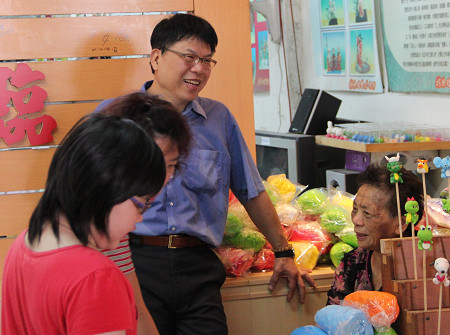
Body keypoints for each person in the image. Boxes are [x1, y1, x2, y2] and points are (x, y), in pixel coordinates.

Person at [95, 13, 315, 335]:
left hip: (198, 266)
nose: (199, 69)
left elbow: (250, 189)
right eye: (189, 57)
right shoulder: (115, 116)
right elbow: (89, 196)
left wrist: (283, 251)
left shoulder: (218, 118)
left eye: (208, 60)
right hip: (135, 262)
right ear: (156, 58)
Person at [1, 113, 166, 335]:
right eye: (141, 204)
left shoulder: (24, 242)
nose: (139, 219)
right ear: (106, 187)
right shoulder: (97, 278)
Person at [97, 91, 191, 335]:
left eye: (173, 165)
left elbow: (137, 310)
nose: (165, 178)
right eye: (163, 163)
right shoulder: (83, 260)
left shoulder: (115, 233)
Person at [327, 163, 423, 305]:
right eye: (355, 209)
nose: (356, 220)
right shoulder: (352, 263)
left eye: (367, 213)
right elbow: (332, 319)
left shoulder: (427, 267)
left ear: (401, 223)